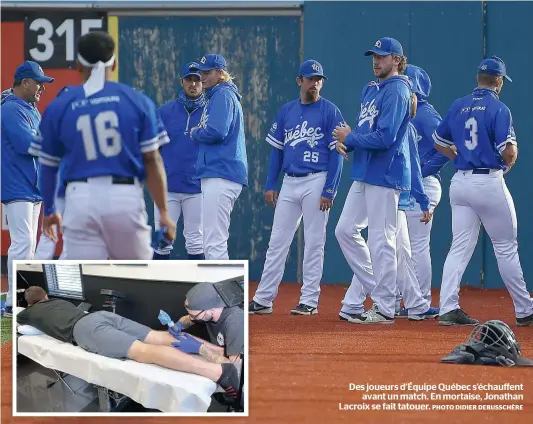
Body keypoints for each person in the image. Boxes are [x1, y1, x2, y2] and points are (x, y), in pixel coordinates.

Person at [37, 30, 176, 260]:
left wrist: (51, 211)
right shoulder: (137, 100)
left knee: (85, 281)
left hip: (79, 198)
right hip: (124, 196)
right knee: (138, 278)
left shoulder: (60, 105)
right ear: (114, 64)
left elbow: (48, 167)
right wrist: (163, 211)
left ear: (79, 65)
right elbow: (152, 160)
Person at [433, 55, 533, 327]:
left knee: (459, 247)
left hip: (461, 183)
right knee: (505, 247)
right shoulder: (498, 108)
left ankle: (447, 307)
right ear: (499, 81)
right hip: (487, 181)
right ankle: (525, 309)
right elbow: (509, 152)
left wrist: (458, 157)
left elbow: (438, 141)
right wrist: (509, 162)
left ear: (478, 77)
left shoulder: (458, 105)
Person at [16, 286, 239, 398]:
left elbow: (14, 317)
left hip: (83, 329)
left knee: (145, 351)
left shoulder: (29, 312)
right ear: (46, 296)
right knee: (158, 335)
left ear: (31, 303)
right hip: (98, 315)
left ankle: (219, 373)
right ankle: (220, 353)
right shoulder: (58, 301)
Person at [249, 60, 344, 316]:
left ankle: (310, 301)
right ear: (299, 81)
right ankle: (264, 299)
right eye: (310, 78)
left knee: (314, 242)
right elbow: (276, 152)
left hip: (317, 178)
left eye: (318, 79)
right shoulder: (287, 111)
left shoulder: (330, 111)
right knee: (277, 241)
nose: (315, 83)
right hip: (290, 181)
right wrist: (271, 183)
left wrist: (329, 190)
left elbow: (338, 154)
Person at [333, 37, 412, 324]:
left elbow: (386, 136)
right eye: (374, 56)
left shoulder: (398, 90)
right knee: (344, 231)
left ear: (397, 60)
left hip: (386, 171)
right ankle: (382, 293)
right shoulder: (371, 89)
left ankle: (385, 307)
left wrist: (351, 138)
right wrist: (349, 143)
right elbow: (366, 130)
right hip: (364, 170)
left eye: (383, 56)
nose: (376, 61)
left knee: (381, 240)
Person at [1, 62, 54, 317]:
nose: (42, 87)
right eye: (38, 82)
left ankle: (17, 298)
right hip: (17, 184)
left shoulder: (29, 108)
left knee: (28, 246)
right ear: (25, 83)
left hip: (32, 185)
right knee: (22, 243)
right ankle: (12, 301)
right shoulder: (11, 109)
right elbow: (28, 144)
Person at [397, 64, 448, 313]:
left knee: (416, 245)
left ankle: (421, 301)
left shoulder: (426, 114)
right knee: (400, 245)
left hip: (424, 185)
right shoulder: (402, 111)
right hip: (409, 187)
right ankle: (402, 299)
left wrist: (422, 170)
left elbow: (449, 147)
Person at [191, 53, 248, 260]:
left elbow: (217, 131)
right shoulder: (217, 95)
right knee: (212, 241)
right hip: (219, 173)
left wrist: (196, 132)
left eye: (207, 73)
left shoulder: (222, 95)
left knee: (214, 243)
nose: (202, 77)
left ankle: (222, 292)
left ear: (221, 73)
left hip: (221, 173)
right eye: (201, 72)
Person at [155, 62, 207, 260]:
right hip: (168, 188)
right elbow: (153, 148)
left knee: (195, 241)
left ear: (202, 82)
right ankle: (157, 288)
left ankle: (200, 289)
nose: (193, 84)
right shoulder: (165, 111)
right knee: (162, 242)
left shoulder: (209, 112)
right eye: (189, 80)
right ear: (182, 82)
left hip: (197, 188)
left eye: (197, 80)